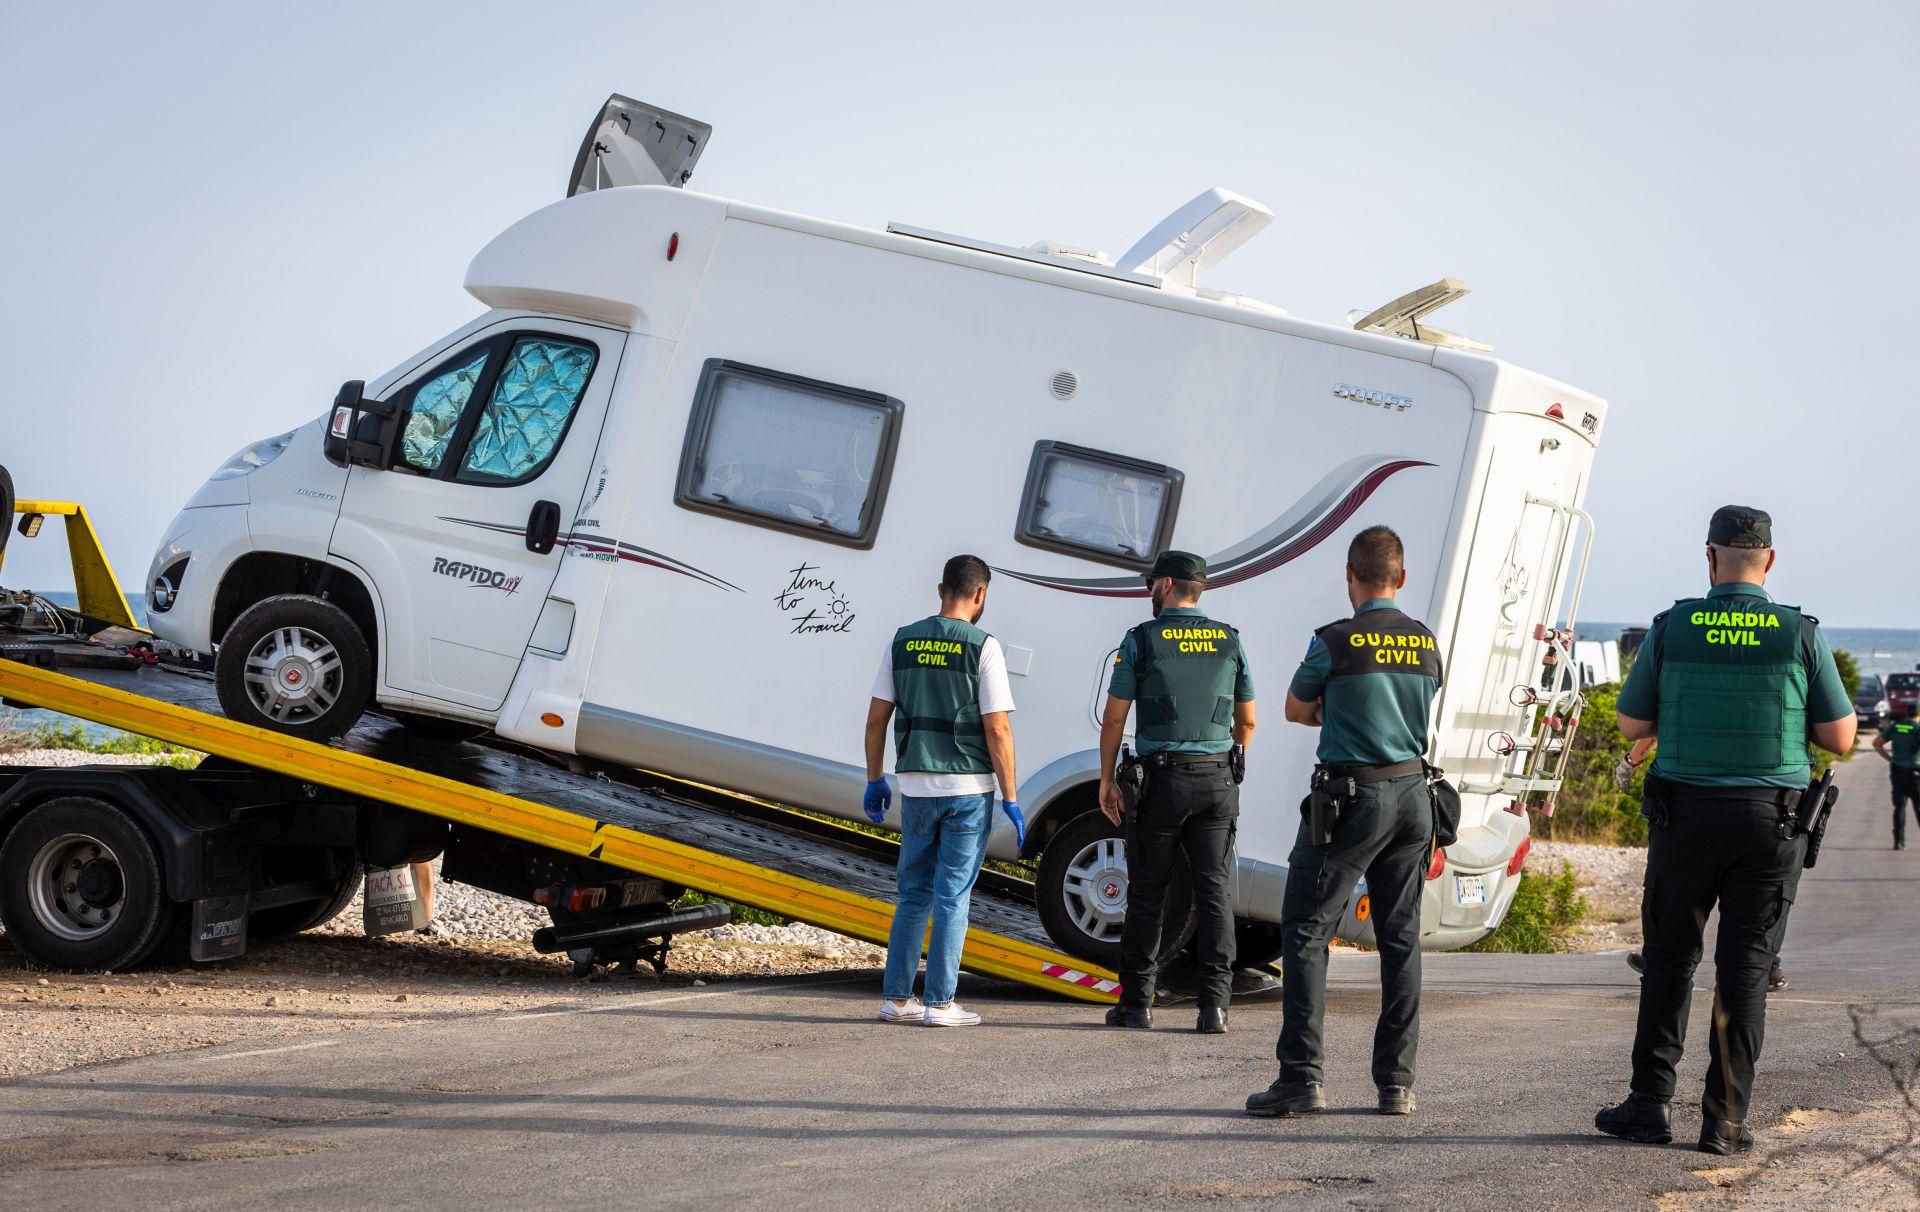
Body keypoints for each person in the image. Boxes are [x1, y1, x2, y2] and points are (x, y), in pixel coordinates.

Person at [1595, 506, 1855, 1156]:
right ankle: (1725, 1121)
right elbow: (1841, 739)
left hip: (1685, 818)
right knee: (1744, 967)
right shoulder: (1800, 632)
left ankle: (1649, 1107)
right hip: (1771, 822)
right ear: (1769, 561)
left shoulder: (1673, 625)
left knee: (1669, 961)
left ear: (1709, 557)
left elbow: (1631, 726)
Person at [1248, 525, 1443, 1119]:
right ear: (1401, 578)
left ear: (1349, 577)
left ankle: (1301, 1080)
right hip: (1414, 796)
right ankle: (1396, 1085)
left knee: (1306, 930)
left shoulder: (1333, 640)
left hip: (1352, 799)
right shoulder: (1426, 641)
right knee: (1400, 939)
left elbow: (1293, 708)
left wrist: (1333, 712)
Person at [1096, 550, 1255, 1034]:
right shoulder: (1229, 640)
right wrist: (1229, 760)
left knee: (1148, 891)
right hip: (1217, 780)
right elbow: (1247, 721)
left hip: (1162, 781)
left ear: (1165, 585)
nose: (1149, 593)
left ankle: (1137, 1003)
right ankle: (1214, 1008)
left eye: (1151, 585)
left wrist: (1107, 779)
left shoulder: (1142, 639)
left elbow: (1117, 715)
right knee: (1214, 892)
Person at [864, 555, 1023, 1027]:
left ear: (940, 590)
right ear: (981, 595)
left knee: (913, 893)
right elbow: (997, 729)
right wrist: (1011, 797)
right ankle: (939, 1004)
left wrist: (876, 778)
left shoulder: (903, 640)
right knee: (952, 895)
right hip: (968, 788)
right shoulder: (983, 646)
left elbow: (877, 720)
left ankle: (895, 1000)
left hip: (915, 785)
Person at [1873, 701, 1920, 850]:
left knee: (1899, 807)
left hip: (1897, 770)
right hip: (1915, 773)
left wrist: (1890, 759)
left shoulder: (1896, 726)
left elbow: (1877, 743)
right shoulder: (1917, 728)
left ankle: (1898, 841)